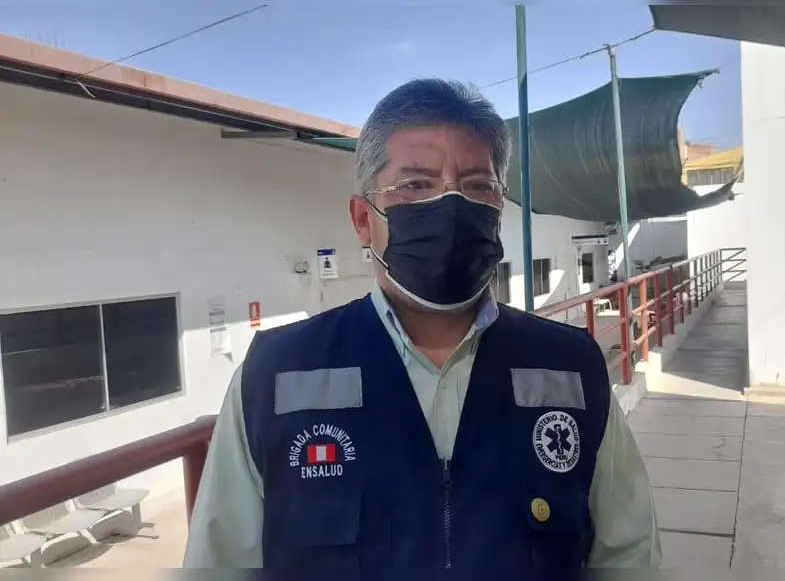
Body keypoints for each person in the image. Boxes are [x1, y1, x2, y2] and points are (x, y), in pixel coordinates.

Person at [182, 78, 661, 569]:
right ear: (363, 219)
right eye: (415, 185)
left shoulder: (572, 367)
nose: (451, 207)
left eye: (478, 186)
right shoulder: (274, 376)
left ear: (498, 209)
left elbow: (629, 555)